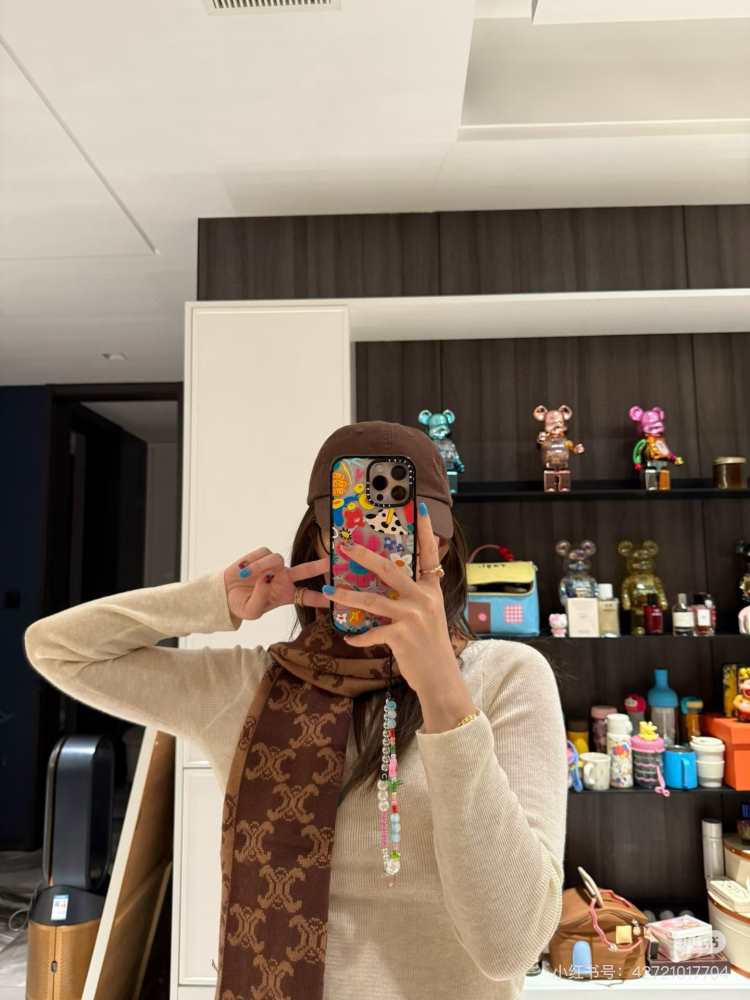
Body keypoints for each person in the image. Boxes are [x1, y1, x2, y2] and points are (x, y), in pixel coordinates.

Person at [24, 419, 568, 1000]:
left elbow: (511, 945)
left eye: (408, 526)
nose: (380, 547)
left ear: (441, 548)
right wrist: (212, 601)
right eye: (352, 527)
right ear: (319, 544)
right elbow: (56, 649)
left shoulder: (506, 678)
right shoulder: (249, 685)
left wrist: (442, 693)